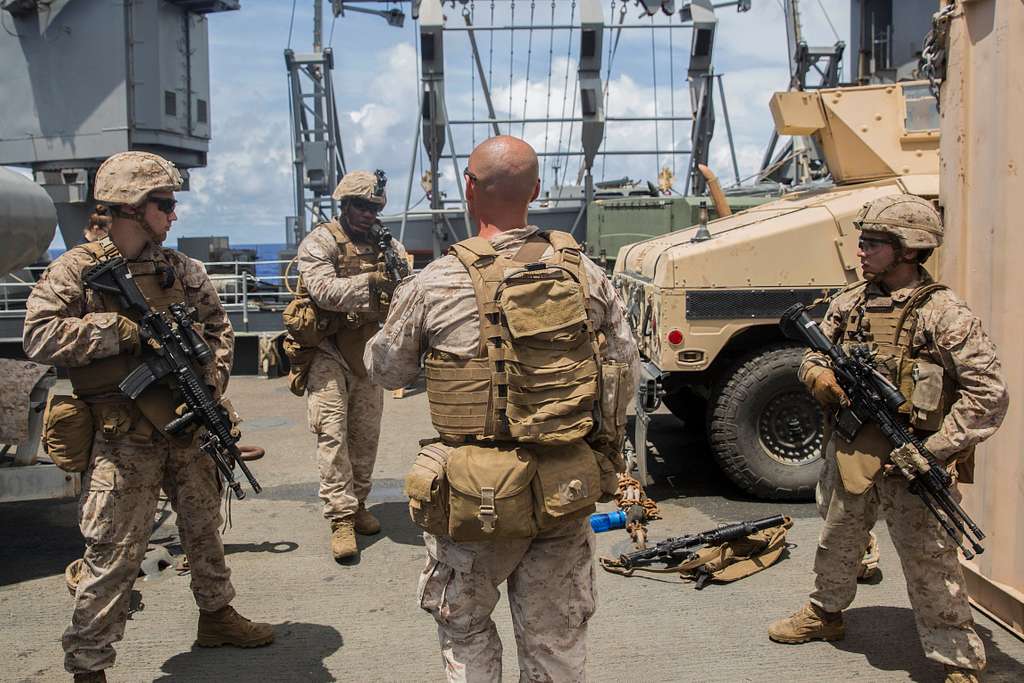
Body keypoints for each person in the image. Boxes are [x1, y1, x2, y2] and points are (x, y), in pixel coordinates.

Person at [365, 135, 639, 681]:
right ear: (535, 190)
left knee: (463, 627)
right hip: (565, 481)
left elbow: (387, 370)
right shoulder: (586, 274)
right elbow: (623, 370)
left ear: (470, 189)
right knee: (555, 637)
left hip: (474, 494)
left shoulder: (435, 281)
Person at [23, 151, 273, 683]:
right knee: (113, 552)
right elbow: (39, 335)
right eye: (165, 204)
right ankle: (89, 665)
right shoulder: (76, 271)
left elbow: (219, 330)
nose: (174, 215)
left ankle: (216, 615)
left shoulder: (179, 269)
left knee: (204, 527)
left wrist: (209, 381)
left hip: (185, 425)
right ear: (132, 208)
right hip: (121, 438)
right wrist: (121, 332)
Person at [768, 194, 1009, 683]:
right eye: (862, 241)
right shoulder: (850, 302)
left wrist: (933, 450)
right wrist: (818, 376)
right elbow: (815, 355)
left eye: (873, 243)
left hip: (915, 459)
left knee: (931, 561)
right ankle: (825, 614)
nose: (860, 250)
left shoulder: (944, 314)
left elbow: (989, 395)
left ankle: (957, 662)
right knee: (838, 539)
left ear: (907, 249)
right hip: (853, 450)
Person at [292, 170, 408, 561]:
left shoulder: (389, 245)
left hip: (368, 351)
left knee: (365, 434)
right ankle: (340, 517)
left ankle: (358, 503)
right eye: (360, 206)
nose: (367, 213)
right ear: (344, 205)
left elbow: (405, 289)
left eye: (373, 207)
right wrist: (376, 285)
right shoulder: (321, 241)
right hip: (327, 350)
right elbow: (323, 292)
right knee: (332, 432)